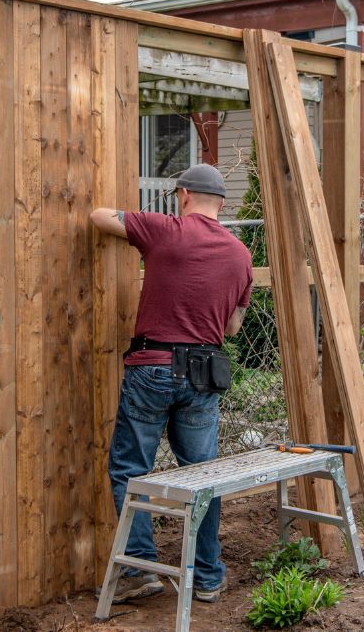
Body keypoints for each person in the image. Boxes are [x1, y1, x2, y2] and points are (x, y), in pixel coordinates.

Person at [89, 163, 253, 605]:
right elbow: (234, 327)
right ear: (221, 203)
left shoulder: (164, 229)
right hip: (203, 374)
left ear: (182, 195)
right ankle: (207, 576)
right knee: (203, 476)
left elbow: (99, 217)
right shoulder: (240, 254)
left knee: (130, 469)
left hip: (153, 366)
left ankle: (141, 568)